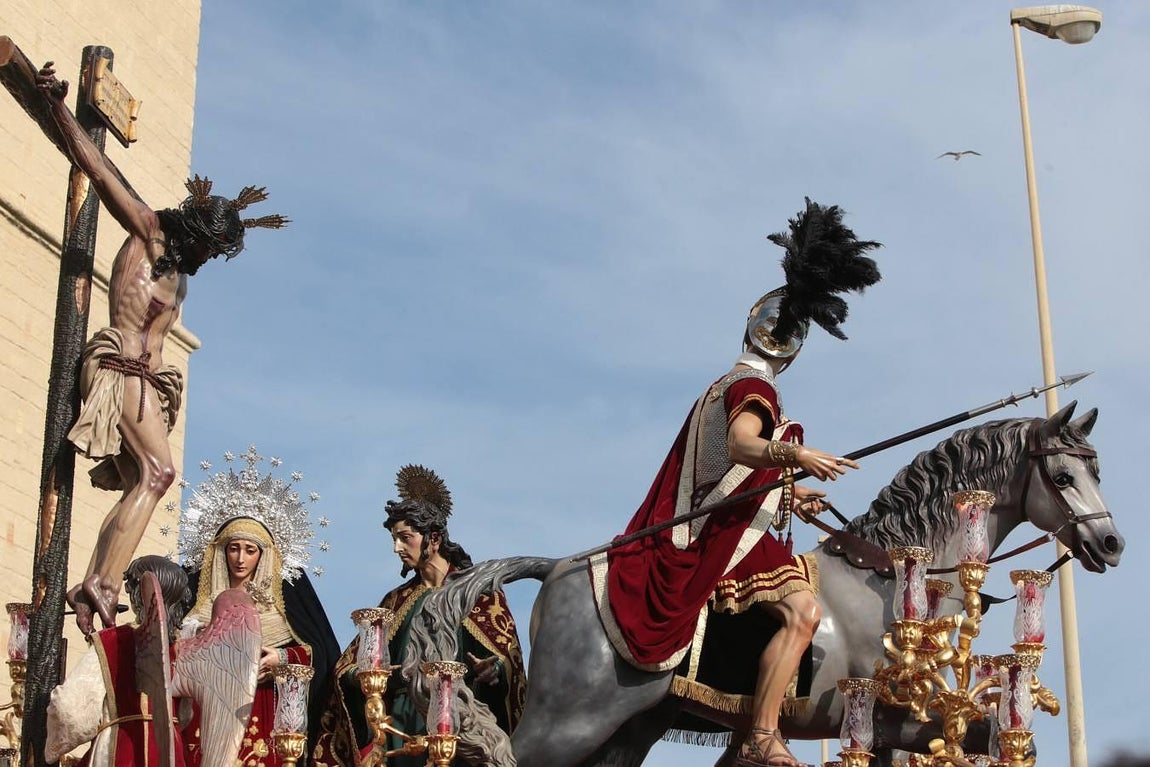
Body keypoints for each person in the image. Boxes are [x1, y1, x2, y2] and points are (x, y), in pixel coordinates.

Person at [590, 199, 881, 767]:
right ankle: (758, 736)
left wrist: (789, 491)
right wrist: (798, 454)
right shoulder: (756, 390)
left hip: (728, 522)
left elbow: (734, 470)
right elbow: (748, 445)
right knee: (803, 612)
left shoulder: (724, 382)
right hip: (721, 536)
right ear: (791, 351)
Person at [35, 62, 288, 636]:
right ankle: (98, 583)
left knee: (140, 482)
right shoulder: (150, 233)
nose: (206, 261)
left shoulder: (182, 270)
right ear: (193, 231)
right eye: (207, 248)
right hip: (121, 365)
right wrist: (55, 106)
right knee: (157, 472)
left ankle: (94, 578)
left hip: (144, 380)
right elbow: (99, 171)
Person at [312, 466, 526, 767]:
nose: (397, 547)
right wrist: (377, 677)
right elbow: (349, 667)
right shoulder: (395, 601)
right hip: (402, 726)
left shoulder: (479, 595)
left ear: (434, 538)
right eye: (394, 538)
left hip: (461, 725)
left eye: (405, 537)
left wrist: (494, 673)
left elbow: (510, 660)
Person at [181, 516, 340, 767]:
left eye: (249, 550)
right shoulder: (197, 603)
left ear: (262, 554)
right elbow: (172, 648)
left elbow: (322, 651)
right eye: (233, 548)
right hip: (208, 708)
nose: (240, 559)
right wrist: (196, 634)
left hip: (261, 704)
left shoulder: (282, 604)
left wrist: (282, 658)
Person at [45, 555, 194, 767]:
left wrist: (54, 744)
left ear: (140, 594)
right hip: (171, 751)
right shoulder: (184, 650)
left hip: (120, 750)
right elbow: (187, 713)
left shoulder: (112, 642)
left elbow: (69, 709)